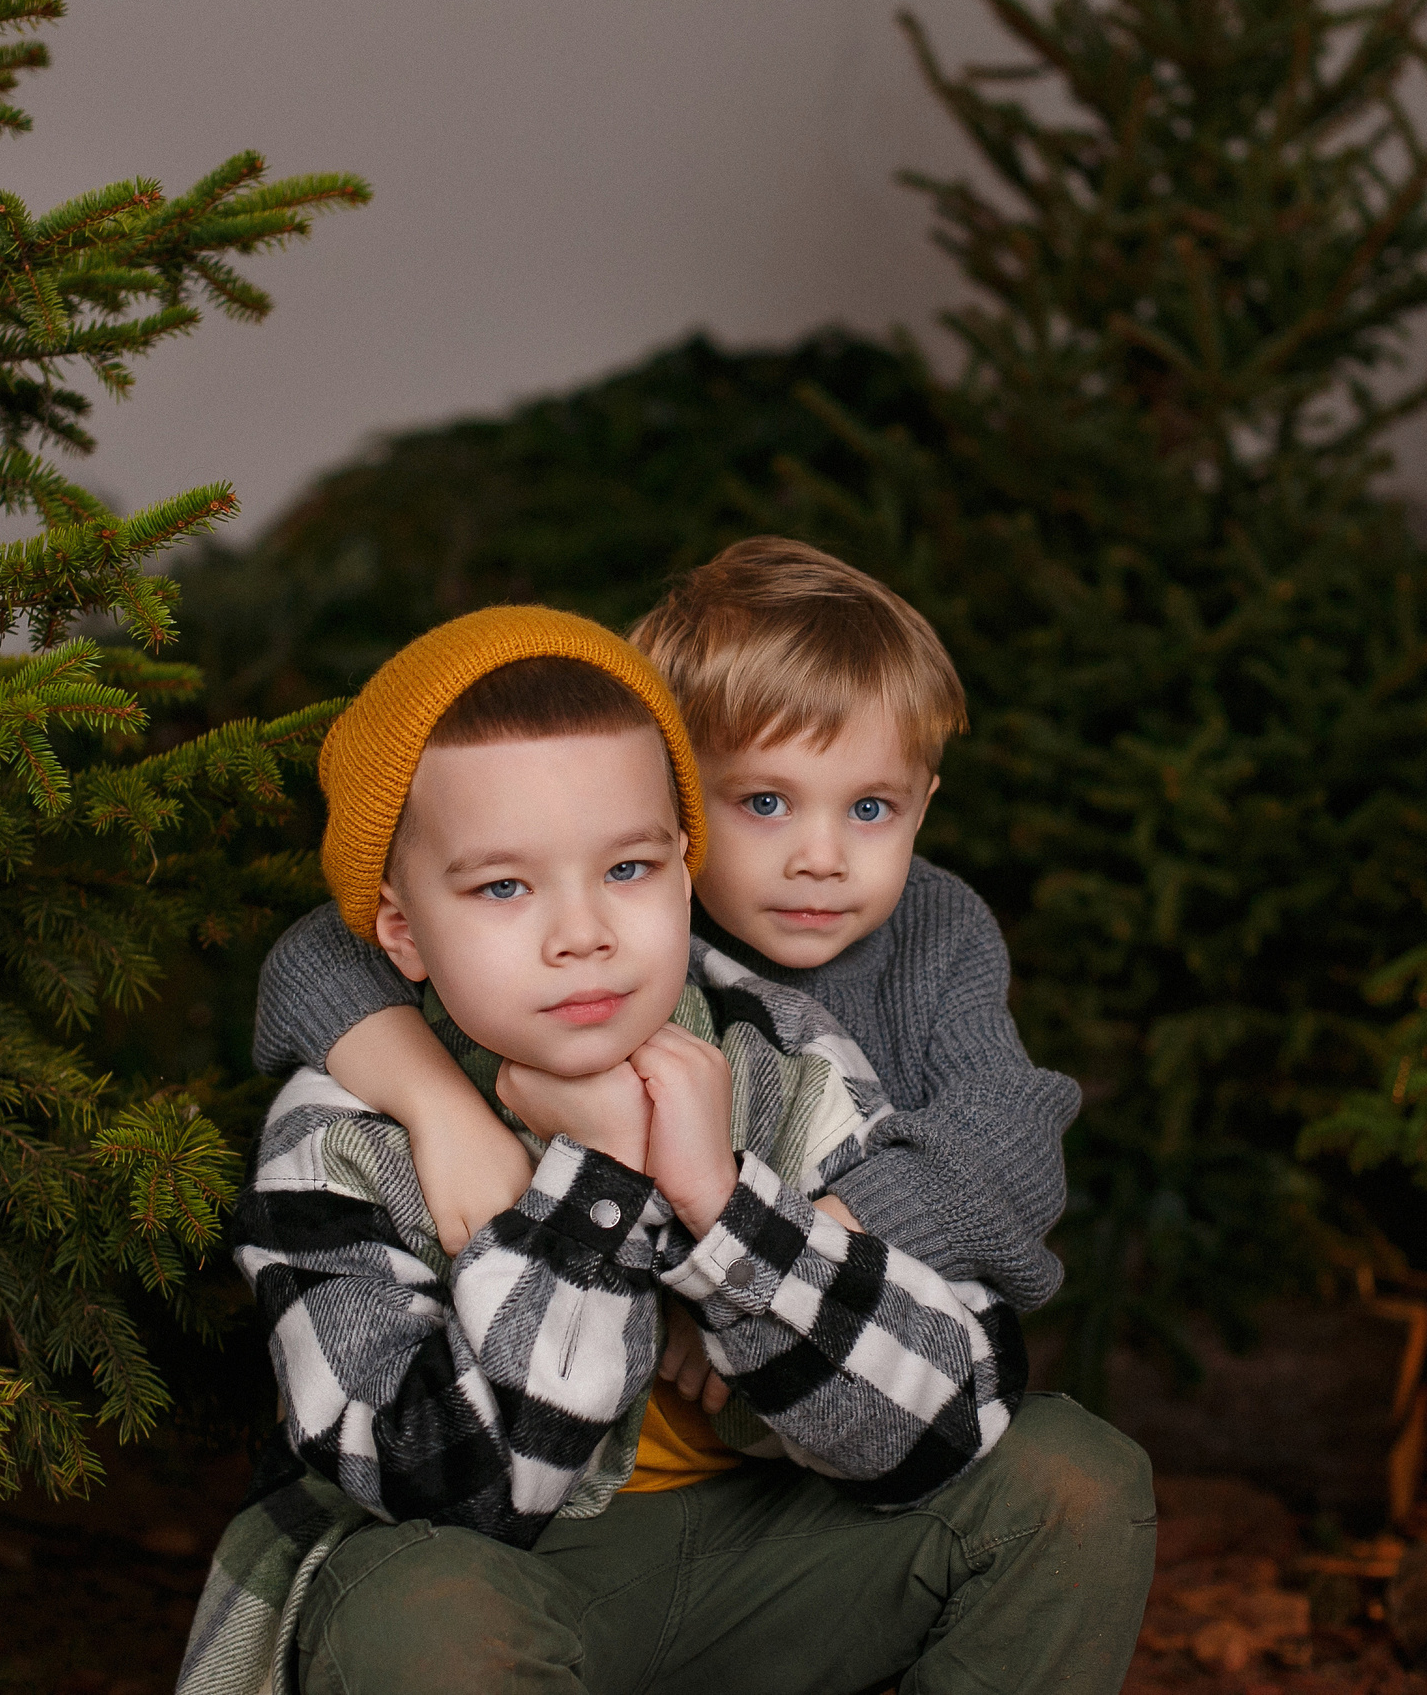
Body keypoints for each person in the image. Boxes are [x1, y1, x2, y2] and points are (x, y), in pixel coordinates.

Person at [177, 606, 1153, 1695]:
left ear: (687, 872)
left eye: (629, 869)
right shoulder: (340, 1143)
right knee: (429, 1616)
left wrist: (725, 1215)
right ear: (401, 930)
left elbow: (950, 1419)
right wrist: (593, 1185)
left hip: (771, 1542)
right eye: (504, 886)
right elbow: (443, 1489)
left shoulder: (780, 1052)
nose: (582, 933)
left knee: (1068, 1480)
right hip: (515, 1568)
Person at [252, 539, 1078, 1423]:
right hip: (594, 1352)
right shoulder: (628, 916)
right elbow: (326, 951)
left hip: (856, 1344)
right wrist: (439, 1107)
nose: (822, 857)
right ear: (671, 794)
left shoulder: (934, 928)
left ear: (924, 804)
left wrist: (762, 1257)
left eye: (870, 807)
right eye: (765, 802)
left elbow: (1010, 1133)